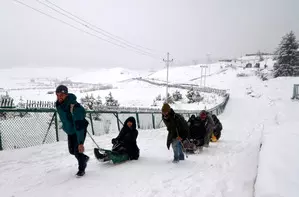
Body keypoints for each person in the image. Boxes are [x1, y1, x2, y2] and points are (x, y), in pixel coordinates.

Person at [55, 85, 89, 177]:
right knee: (72, 151)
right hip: (70, 130)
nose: (59, 97)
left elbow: (79, 126)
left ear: (66, 94)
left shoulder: (75, 107)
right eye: (57, 95)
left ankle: (81, 169)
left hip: (79, 129)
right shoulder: (59, 104)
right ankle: (84, 158)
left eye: (61, 95)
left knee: (78, 150)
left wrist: (81, 143)